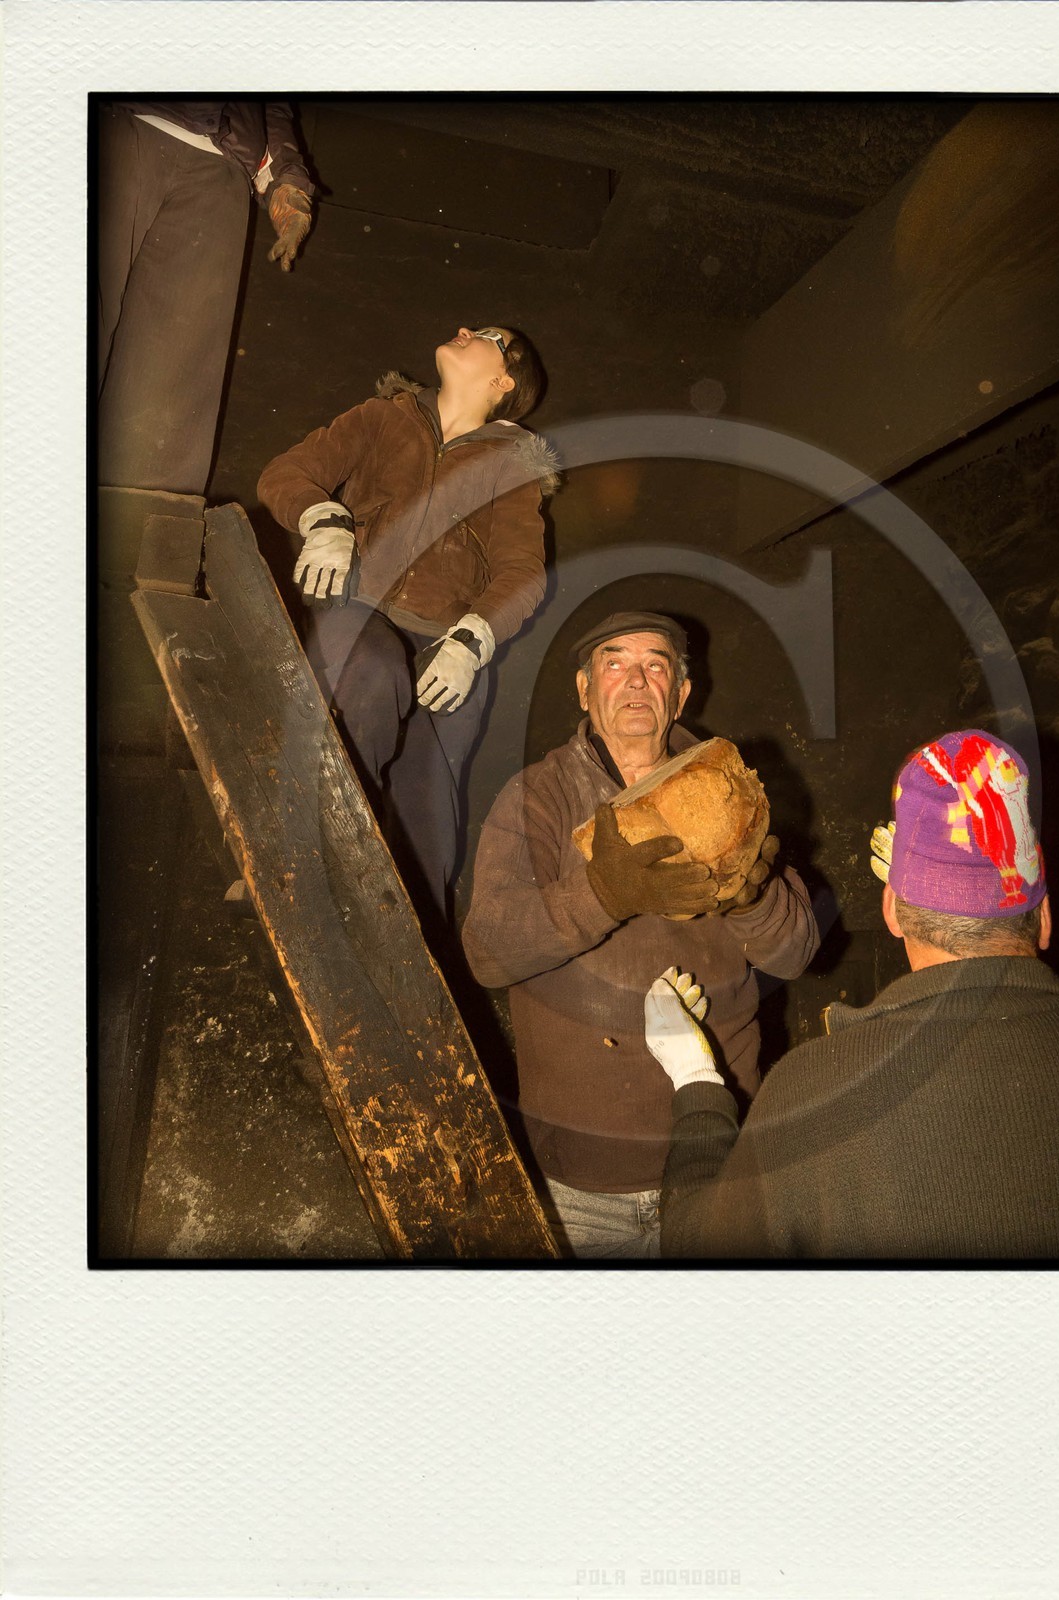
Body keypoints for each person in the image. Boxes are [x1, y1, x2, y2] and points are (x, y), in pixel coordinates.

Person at [648, 727, 1059, 1260]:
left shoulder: (817, 1095)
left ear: (891, 912)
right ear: (1046, 918)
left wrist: (694, 1076)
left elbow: (693, 1247)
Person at [461, 612, 821, 1259]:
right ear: (584, 688)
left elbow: (795, 955)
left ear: (680, 693)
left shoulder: (723, 784)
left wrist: (751, 897)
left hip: (725, 1158)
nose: (635, 680)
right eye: (615, 661)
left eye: (655, 665)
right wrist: (603, 894)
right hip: (585, 1184)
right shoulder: (537, 799)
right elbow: (487, 951)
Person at [258, 326, 558, 931]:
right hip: (357, 609)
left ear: (504, 382)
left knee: (429, 795)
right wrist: (323, 519)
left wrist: (473, 640)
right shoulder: (380, 418)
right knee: (368, 672)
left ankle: (413, 944)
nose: (466, 331)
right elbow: (287, 473)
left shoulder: (511, 464)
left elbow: (523, 572)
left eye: (490, 337)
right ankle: (304, 857)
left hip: (447, 645)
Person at [98, 100, 316, 495]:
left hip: (222, 169)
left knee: (173, 383)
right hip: (125, 122)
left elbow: (275, 102)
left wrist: (290, 180)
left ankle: (139, 539)